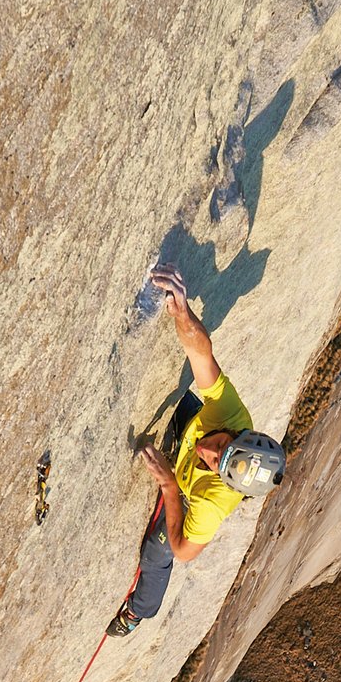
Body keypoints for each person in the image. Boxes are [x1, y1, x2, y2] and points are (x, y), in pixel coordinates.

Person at [108, 265, 285, 636]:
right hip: (190, 433)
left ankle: (139, 612)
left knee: (157, 555)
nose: (209, 450)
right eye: (220, 444)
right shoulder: (232, 414)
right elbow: (201, 355)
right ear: (238, 433)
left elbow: (185, 550)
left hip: (185, 495)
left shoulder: (210, 504)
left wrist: (171, 488)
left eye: (215, 462)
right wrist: (183, 313)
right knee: (191, 402)